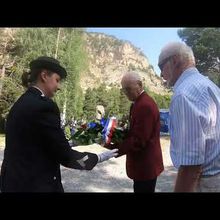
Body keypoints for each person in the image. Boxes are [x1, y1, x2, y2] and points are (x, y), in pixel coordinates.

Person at [0, 56, 118, 192]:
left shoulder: (20, 103)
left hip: (13, 183)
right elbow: (65, 156)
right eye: (57, 80)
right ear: (44, 75)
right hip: (37, 185)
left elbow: (35, 143)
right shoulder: (44, 106)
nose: (58, 87)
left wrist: (69, 142)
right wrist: (97, 158)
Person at [158, 42, 220, 192]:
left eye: (161, 66)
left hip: (205, 184)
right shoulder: (210, 86)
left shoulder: (183, 95)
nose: (160, 74)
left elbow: (191, 166)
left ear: (175, 60)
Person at [104, 71, 164, 192]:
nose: (126, 93)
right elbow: (135, 131)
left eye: (128, 89)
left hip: (145, 166)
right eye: (124, 90)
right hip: (144, 165)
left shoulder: (144, 105)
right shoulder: (139, 102)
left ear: (140, 85)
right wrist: (116, 135)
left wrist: (115, 149)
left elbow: (139, 140)